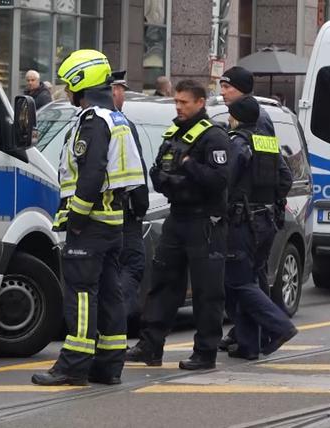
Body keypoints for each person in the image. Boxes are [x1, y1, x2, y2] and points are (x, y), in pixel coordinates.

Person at [31, 51, 146, 386]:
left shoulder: (94, 122)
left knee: (81, 294)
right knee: (109, 293)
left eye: (69, 86)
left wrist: (77, 217)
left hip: (91, 225)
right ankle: (109, 365)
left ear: (81, 83)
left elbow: (92, 173)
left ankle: (73, 365)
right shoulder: (116, 119)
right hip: (112, 224)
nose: (67, 92)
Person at [127, 79, 234, 371]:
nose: (179, 107)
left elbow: (218, 180)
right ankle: (150, 346)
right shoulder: (175, 132)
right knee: (163, 283)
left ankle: (205, 352)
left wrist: (187, 167)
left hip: (205, 221)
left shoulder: (214, 137)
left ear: (200, 102)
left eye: (184, 103)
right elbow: (157, 172)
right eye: (176, 102)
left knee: (206, 290)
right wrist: (176, 180)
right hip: (178, 217)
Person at [222, 96, 298, 360]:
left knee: (239, 283)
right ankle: (248, 345)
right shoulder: (266, 141)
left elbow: (227, 182)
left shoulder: (238, 142)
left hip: (243, 222)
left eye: (230, 114)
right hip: (266, 221)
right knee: (251, 280)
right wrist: (270, 200)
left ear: (237, 117)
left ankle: (280, 326)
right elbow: (286, 178)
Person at [217, 65, 277, 352]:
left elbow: (240, 173)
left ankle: (264, 331)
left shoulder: (253, 124)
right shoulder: (256, 121)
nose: (223, 91)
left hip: (248, 216)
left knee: (246, 280)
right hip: (260, 215)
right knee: (248, 277)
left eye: (227, 86)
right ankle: (249, 333)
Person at [110, 71, 150, 321]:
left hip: (97, 213)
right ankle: (114, 326)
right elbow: (136, 171)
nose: (123, 94)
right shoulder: (122, 125)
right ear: (114, 90)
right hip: (124, 213)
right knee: (132, 264)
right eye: (121, 89)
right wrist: (141, 205)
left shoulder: (83, 120)